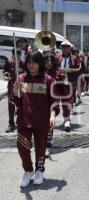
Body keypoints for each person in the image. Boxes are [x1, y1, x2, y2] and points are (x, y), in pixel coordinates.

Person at [13, 51, 58, 188]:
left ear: (40, 64)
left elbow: (54, 101)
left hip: (42, 120)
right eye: (29, 62)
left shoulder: (48, 80)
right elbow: (17, 102)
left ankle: (39, 170)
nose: (31, 65)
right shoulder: (21, 78)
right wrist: (15, 92)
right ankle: (28, 170)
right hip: (24, 119)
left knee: (41, 147)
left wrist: (52, 115)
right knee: (22, 145)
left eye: (34, 62)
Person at [55, 40, 81, 132]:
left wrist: (68, 71)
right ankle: (52, 117)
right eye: (63, 47)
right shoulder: (57, 57)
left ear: (70, 48)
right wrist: (59, 71)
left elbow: (79, 69)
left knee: (67, 102)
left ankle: (67, 120)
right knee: (55, 101)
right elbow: (53, 68)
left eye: (66, 47)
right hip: (58, 83)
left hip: (69, 83)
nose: (65, 49)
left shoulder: (75, 58)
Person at [44, 52, 62, 157]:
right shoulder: (39, 71)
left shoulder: (57, 72)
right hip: (41, 101)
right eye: (46, 61)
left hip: (54, 99)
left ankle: (47, 144)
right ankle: (44, 143)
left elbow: (61, 88)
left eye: (51, 61)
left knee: (51, 122)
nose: (49, 63)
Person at [3, 48, 25, 133]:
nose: (16, 56)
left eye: (18, 54)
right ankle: (11, 124)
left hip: (21, 87)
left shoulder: (23, 63)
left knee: (21, 105)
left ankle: (21, 122)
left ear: (20, 55)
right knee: (11, 106)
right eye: (14, 54)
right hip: (11, 87)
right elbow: (5, 72)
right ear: (12, 54)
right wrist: (7, 77)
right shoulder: (9, 62)